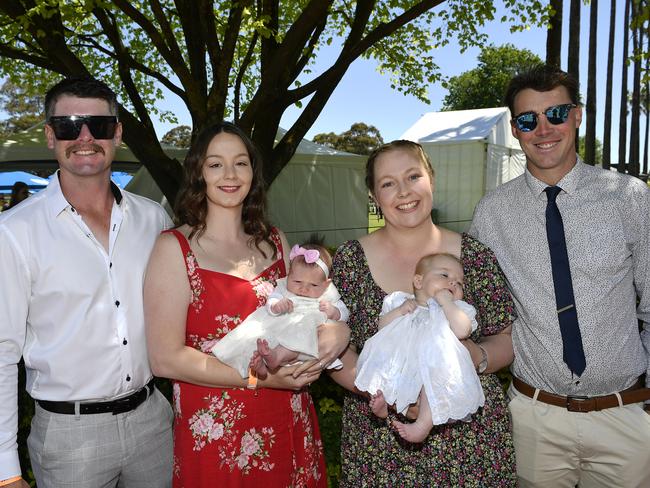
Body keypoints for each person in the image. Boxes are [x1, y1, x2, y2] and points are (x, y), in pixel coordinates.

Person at [469, 64, 650, 487]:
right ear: (515, 129)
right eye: (528, 119)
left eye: (557, 113)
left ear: (578, 115)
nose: (544, 129)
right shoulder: (491, 214)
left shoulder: (630, 198)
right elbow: (476, 307)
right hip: (535, 420)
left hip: (625, 417)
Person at [144, 122, 350, 487]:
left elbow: (310, 307)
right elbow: (165, 358)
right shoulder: (173, 249)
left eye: (240, 163)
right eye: (215, 164)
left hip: (286, 417)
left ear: (253, 173)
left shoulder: (277, 242)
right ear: (198, 173)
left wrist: (338, 329)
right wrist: (261, 379)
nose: (229, 174)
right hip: (215, 431)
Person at [0, 77, 173, 488]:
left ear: (116, 133)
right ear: (49, 136)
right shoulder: (13, 232)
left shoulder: (155, 221)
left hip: (154, 423)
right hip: (67, 438)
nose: (83, 137)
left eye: (97, 125)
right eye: (67, 126)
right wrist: (6, 470)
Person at [330, 140, 517, 486]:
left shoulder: (474, 256)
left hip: (468, 440)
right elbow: (337, 351)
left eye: (413, 176)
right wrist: (387, 393)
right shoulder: (349, 261)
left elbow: (505, 340)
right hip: (378, 442)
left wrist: (475, 359)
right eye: (388, 183)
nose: (404, 191)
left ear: (432, 179)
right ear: (373, 195)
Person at [355, 253, 485, 443]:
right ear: (418, 281)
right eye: (445, 276)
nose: (453, 284)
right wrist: (400, 311)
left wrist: (447, 303)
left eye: (459, 283)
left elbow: (462, 330)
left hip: (434, 363)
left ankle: (423, 424)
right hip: (402, 359)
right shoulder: (400, 301)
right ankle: (384, 405)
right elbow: (382, 328)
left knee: (433, 384)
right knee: (387, 370)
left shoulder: (457, 310)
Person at [212, 241, 349, 378]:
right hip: (279, 330)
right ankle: (259, 367)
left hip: (307, 341)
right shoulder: (283, 287)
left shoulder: (328, 294)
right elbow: (272, 300)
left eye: (313, 285)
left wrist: (334, 312)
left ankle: (275, 358)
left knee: (298, 335)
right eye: (297, 282)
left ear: (326, 284)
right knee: (258, 337)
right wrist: (276, 306)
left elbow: (344, 313)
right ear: (289, 275)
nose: (303, 289)